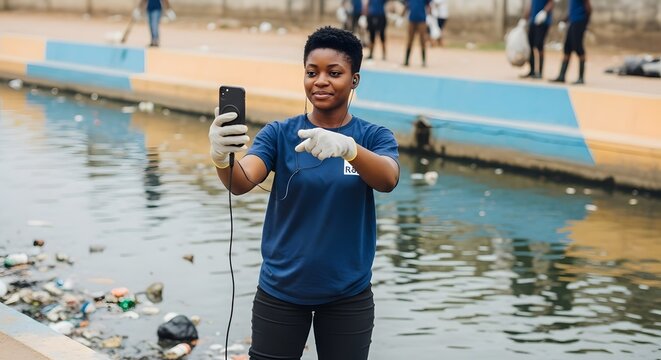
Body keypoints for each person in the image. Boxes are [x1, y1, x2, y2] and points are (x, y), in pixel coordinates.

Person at [208, 27, 400, 360]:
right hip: (281, 290)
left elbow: (387, 178)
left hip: (347, 294)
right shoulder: (280, 133)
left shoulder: (373, 136)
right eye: (312, 73)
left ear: (354, 79)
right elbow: (241, 182)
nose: (321, 81)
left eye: (334, 73)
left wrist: (349, 149)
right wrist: (221, 156)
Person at [551, 0, 591, 84]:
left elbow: (589, 8)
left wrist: (585, 23)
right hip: (572, 22)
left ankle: (581, 77)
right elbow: (572, 10)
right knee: (567, 48)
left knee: (578, 48)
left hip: (579, 22)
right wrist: (565, 20)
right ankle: (562, 75)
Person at [521, 0, 553, 78]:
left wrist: (544, 12)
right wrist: (525, 18)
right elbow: (531, 5)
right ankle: (532, 70)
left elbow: (551, 3)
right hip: (533, 21)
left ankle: (540, 72)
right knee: (530, 44)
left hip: (542, 21)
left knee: (539, 45)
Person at [402, 0, 432, 67]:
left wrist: (430, 16)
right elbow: (407, 5)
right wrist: (402, 15)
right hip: (412, 19)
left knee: (422, 41)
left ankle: (424, 61)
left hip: (421, 20)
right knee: (410, 40)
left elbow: (428, 5)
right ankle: (406, 60)